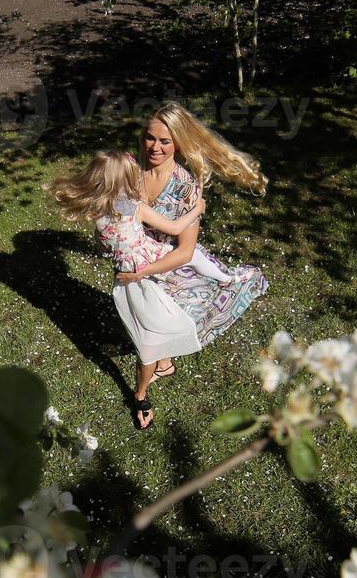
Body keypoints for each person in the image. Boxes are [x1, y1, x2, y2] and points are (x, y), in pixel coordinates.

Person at [117, 102, 268, 407]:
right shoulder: (131, 170)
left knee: (151, 332)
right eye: (150, 138)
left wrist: (143, 272)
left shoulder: (186, 188)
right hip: (135, 259)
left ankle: (143, 390)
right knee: (142, 319)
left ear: (178, 143)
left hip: (167, 266)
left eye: (164, 141)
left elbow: (185, 251)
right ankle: (164, 364)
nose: (154, 147)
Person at [52, 150, 206, 429]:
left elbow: (108, 245)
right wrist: (198, 209)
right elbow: (173, 227)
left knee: (148, 338)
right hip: (135, 280)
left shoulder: (98, 210)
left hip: (138, 276)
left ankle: (141, 393)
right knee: (148, 337)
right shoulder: (133, 207)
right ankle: (152, 377)